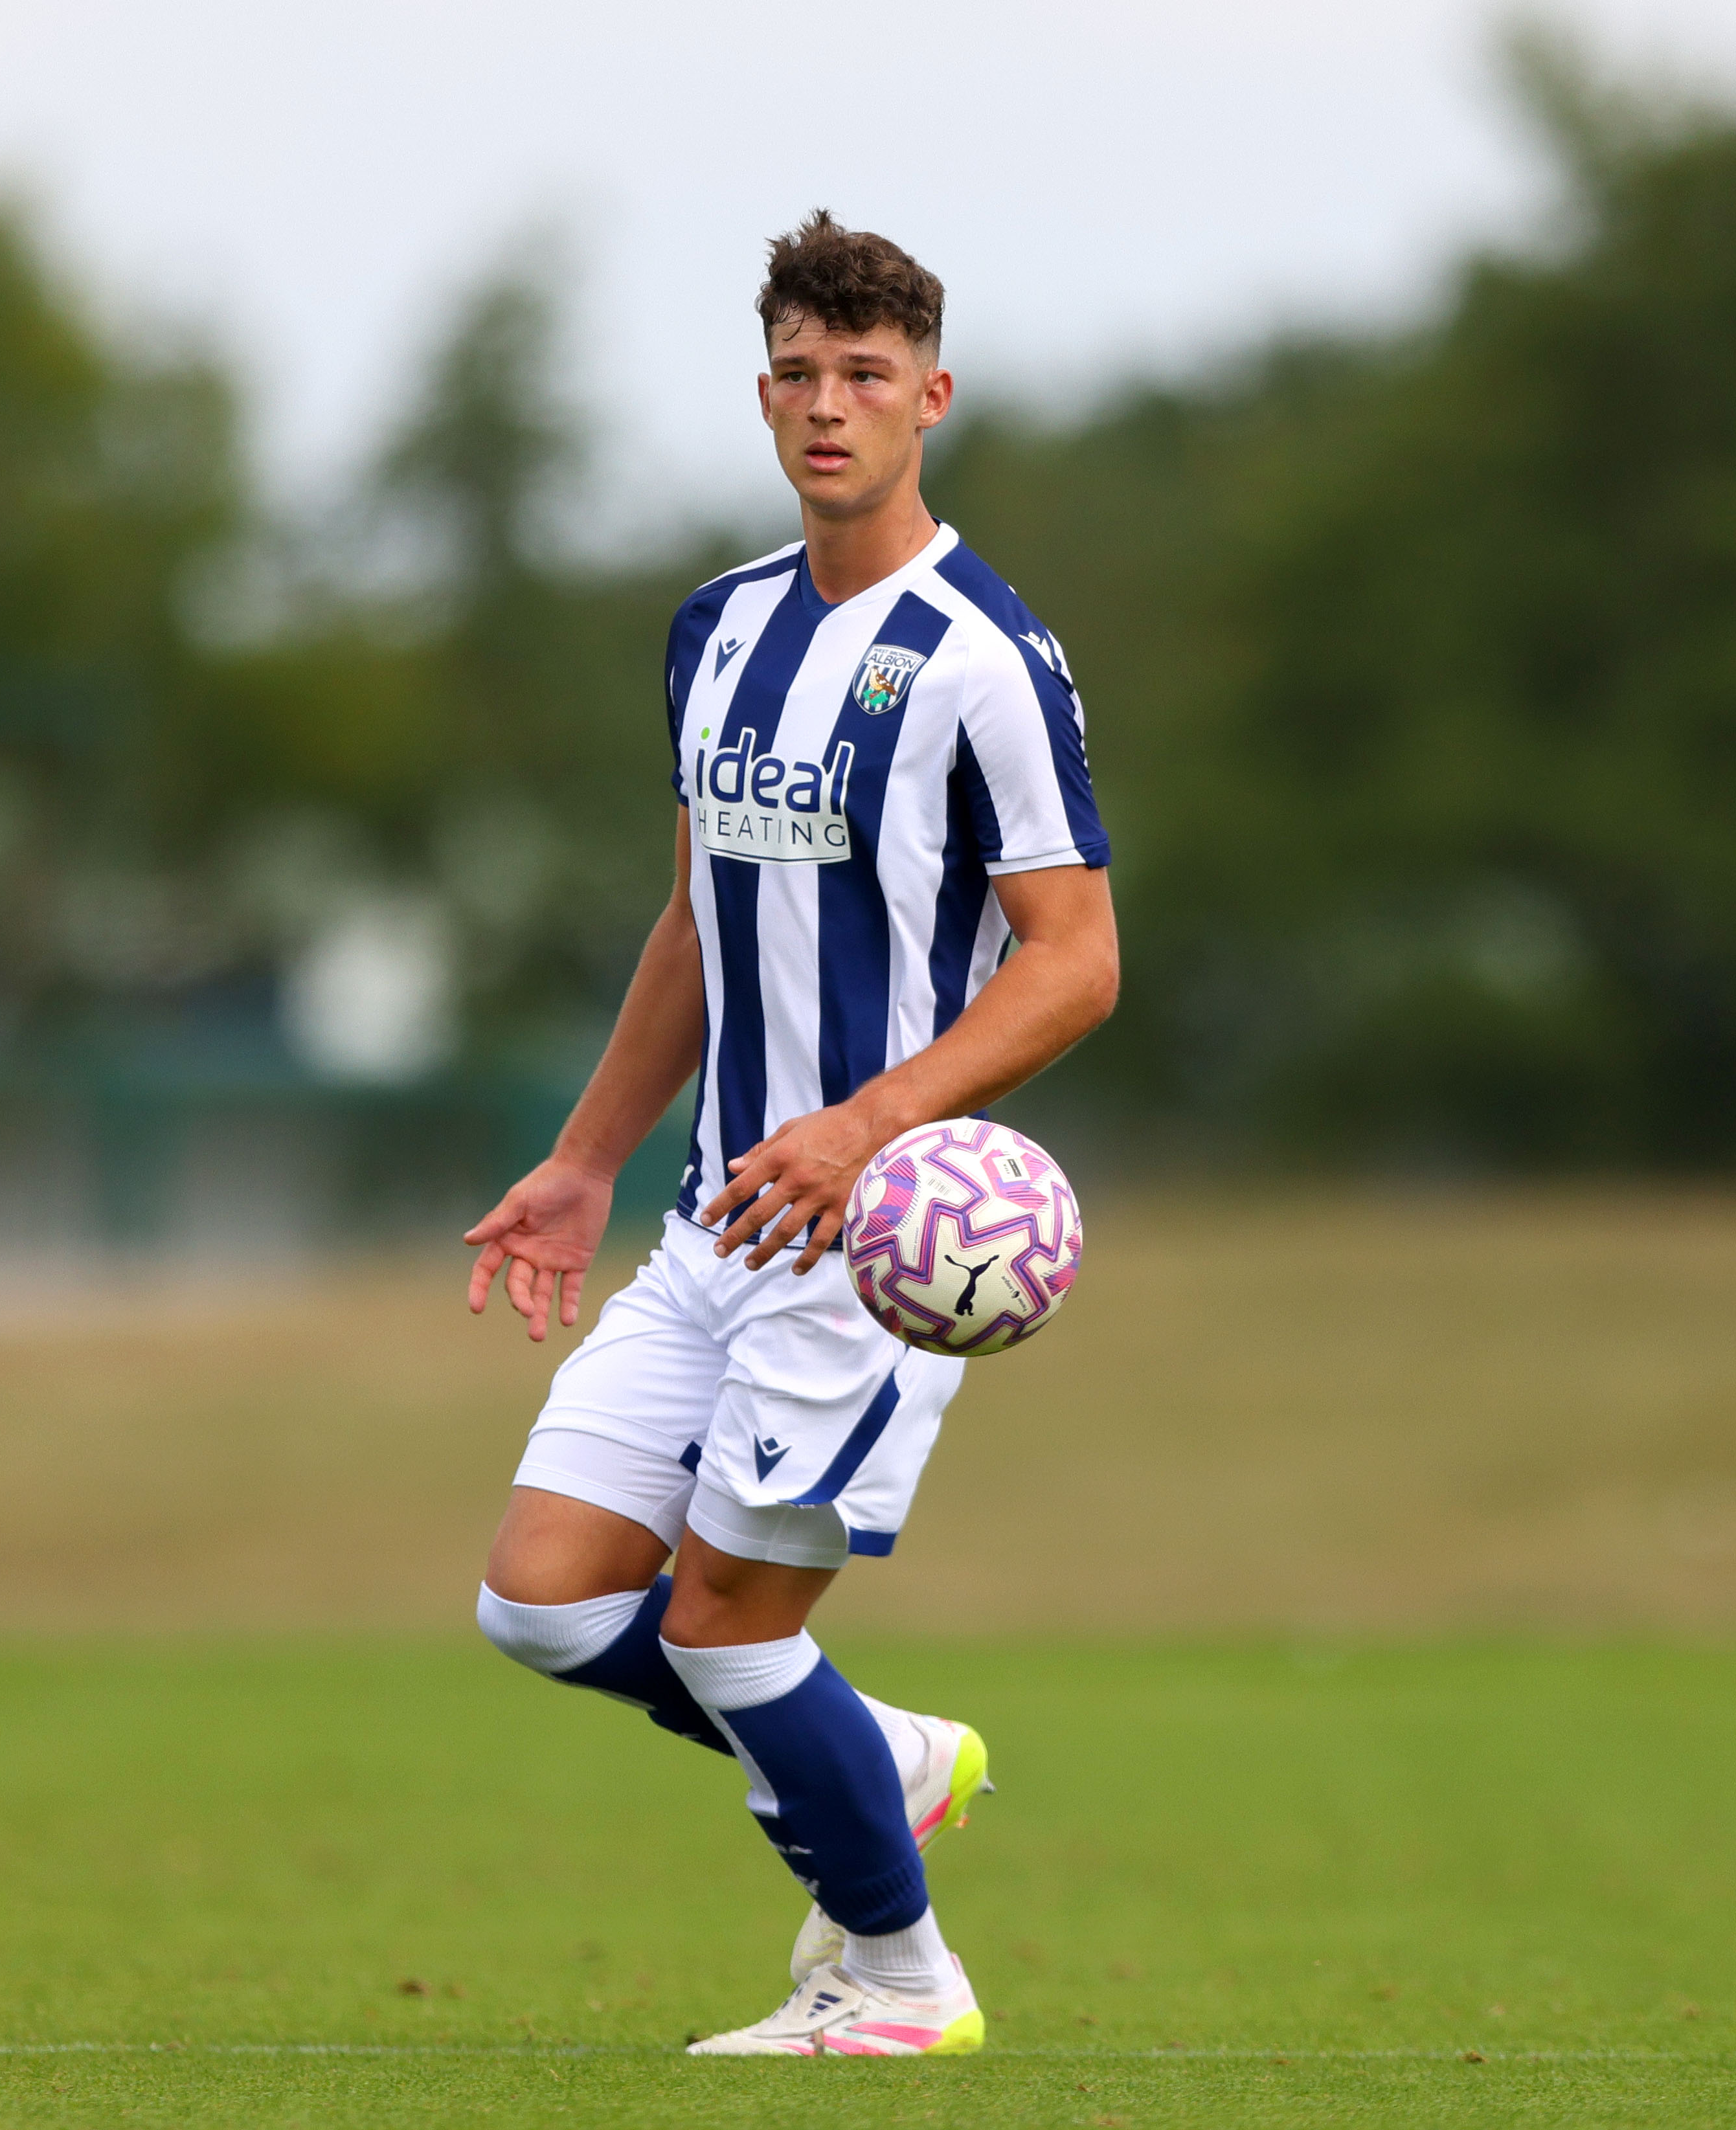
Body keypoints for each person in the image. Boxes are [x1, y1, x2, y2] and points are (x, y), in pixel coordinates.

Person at [461, 209, 1120, 2058]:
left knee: (729, 1632)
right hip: (705, 1220)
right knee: (541, 1600)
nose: (831, 407)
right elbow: (693, 924)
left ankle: (900, 1981)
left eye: (866, 376)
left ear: (931, 396)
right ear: (765, 397)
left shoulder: (987, 659)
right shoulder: (717, 627)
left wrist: (867, 1125)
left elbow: (1075, 965)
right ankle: (881, 1753)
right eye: (801, 376)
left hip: (867, 1246)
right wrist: (586, 1157)